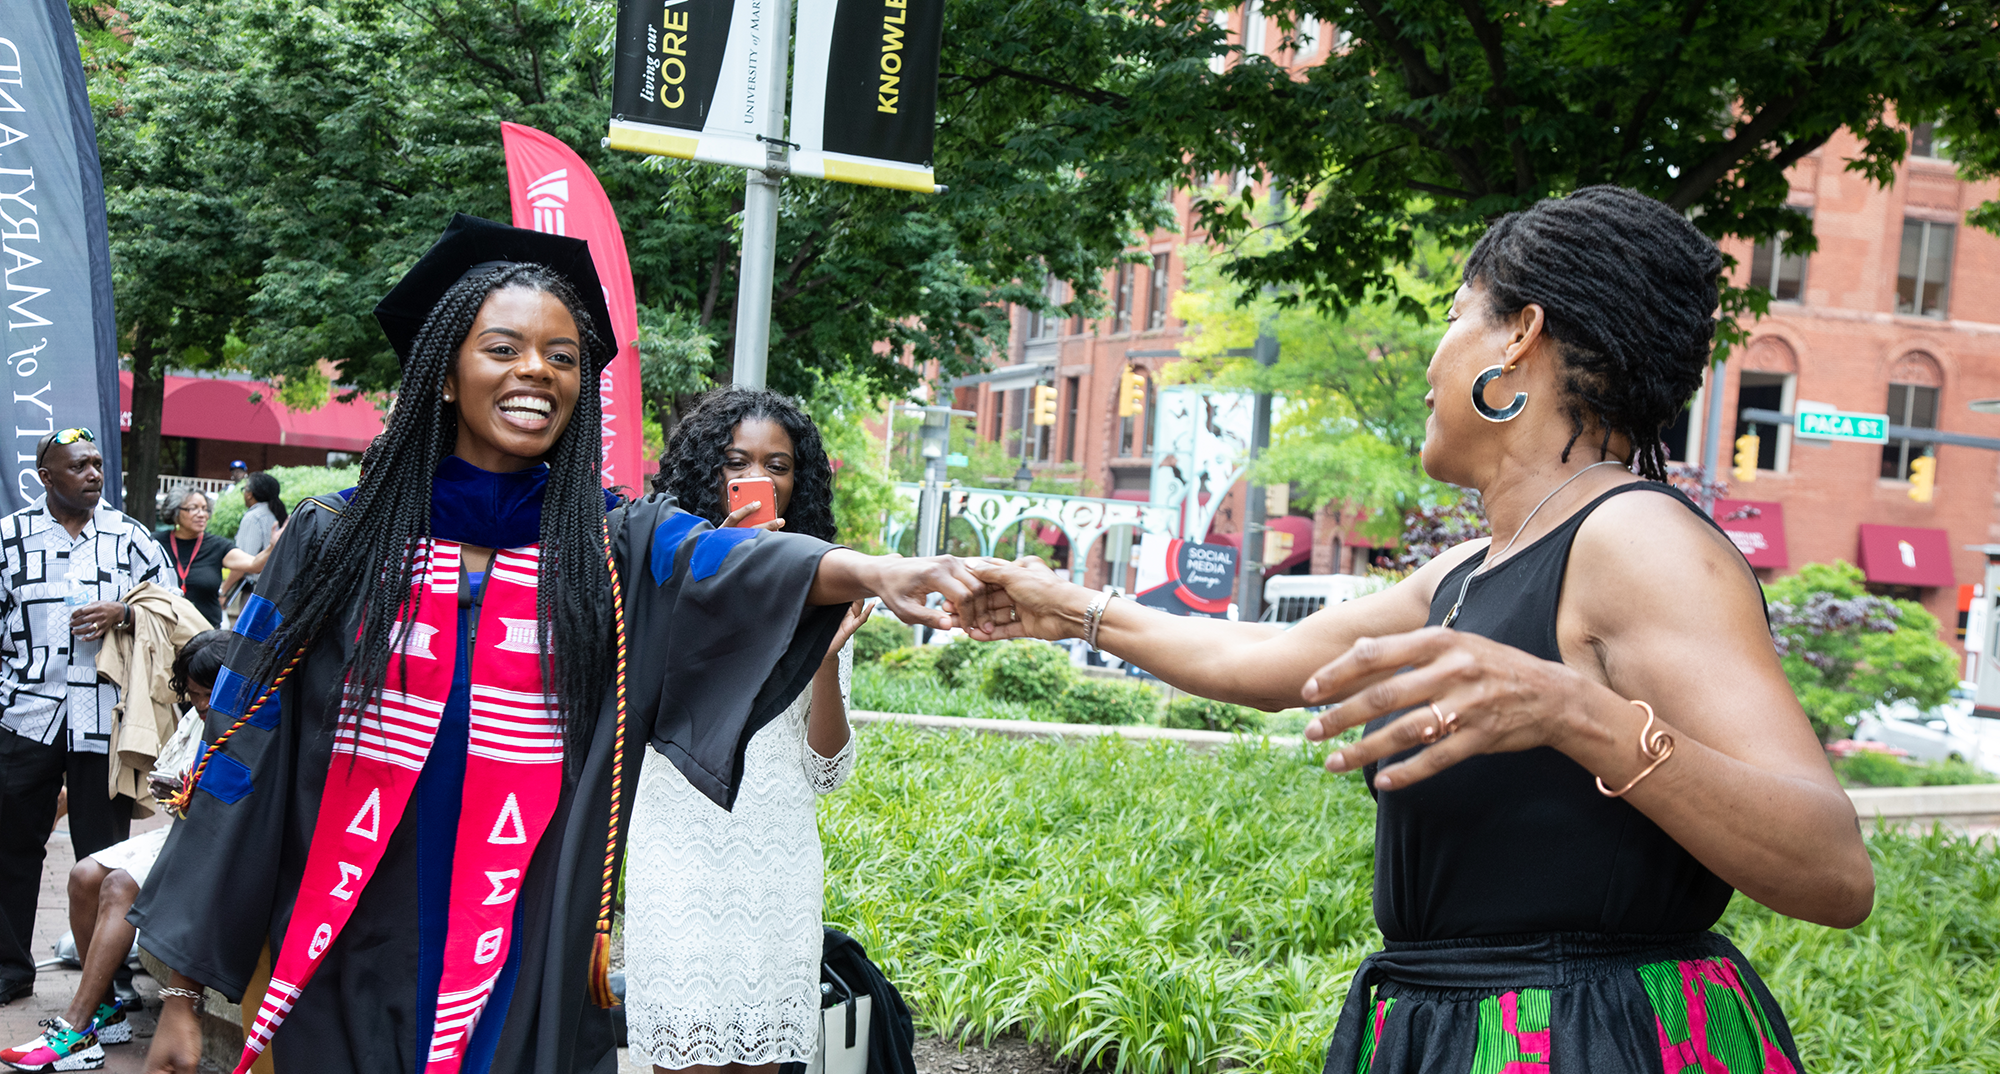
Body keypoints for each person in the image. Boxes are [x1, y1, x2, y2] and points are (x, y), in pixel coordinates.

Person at [962, 187, 1873, 1072]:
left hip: (1597, 1035)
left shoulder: (1637, 541)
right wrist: (1069, 606)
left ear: (1520, 336)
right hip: (1445, 1023)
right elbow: (1266, 661)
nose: (1429, 364)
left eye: (1451, 316)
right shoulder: (1468, 569)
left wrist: (1571, 713)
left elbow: (1830, 869)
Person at [131, 214, 982, 1074]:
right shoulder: (338, 541)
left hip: (524, 953)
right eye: (502, 348)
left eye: (564, 356)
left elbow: (731, 564)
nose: (536, 370)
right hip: (347, 939)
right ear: (444, 373)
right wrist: (179, 994)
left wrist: (874, 572)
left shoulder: (607, 551)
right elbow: (240, 756)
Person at [624, 387, 868, 1073]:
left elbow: (828, 771)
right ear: (708, 469)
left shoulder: (822, 585)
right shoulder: (658, 574)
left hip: (775, 862)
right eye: (736, 460)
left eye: (776, 464)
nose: (755, 477)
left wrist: (819, 663)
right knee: (686, 1056)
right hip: (679, 854)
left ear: (799, 479)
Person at [0, 629, 229, 1072]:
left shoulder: (246, 719)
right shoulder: (200, 714)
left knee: (119, 885)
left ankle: (77, 1027)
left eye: (206, 695)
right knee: (84, 875)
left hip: (218, 839)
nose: (200, 704)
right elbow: (170, 773)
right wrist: (177, 788)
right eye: (194, 695)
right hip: (186, 829)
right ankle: (105, 1010)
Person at [0, 429, 170, 1008]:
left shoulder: (132, 538)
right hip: (25, 717)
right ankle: (9, 971)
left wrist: (126, 611)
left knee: (103, 855)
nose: (94, 474)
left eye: (98, 464)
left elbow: (171, 610)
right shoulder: (10, 538)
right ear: (47, 477)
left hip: (106, 718)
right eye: (79, 466)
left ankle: (108, 983)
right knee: (11, 846)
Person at [153, 489, 280, 629]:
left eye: (205, 509)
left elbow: (254, 564)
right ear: (175, 512)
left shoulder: (217, 546)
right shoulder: (155, 544)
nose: (201, 514)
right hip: (164, 632)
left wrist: (272, 547)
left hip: (205, 636)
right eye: (193, 509)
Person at [220, 473, 287, 614]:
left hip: (254, 595)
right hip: (274, 592)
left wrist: (223, 591)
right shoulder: (275, 514)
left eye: (244, 489)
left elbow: (243, 563)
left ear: (250, 494)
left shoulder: (253, 517)